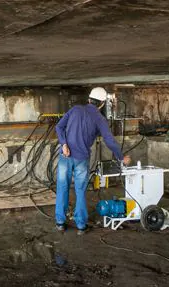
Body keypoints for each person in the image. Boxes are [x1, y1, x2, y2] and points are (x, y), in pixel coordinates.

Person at [55, 87, 131, 234]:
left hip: (65, 156)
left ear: (89, 99)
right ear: (102, 104)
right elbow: (109, 140)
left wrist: (64, 143)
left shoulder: (75, 110)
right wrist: (121, 157)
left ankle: (60, 222)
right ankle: (81, 226)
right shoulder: (100, 119)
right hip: (82, 159)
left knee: (62, 188)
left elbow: (59, 127)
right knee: (80, 190)